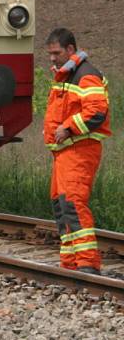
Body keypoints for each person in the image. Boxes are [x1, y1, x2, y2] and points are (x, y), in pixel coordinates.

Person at [44, 28, 112, 275]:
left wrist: (68, 128)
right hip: (64, 153)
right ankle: (71, 264)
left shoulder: (86, 75)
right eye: (50, 53)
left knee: (73, 204)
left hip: (80, 150)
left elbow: (96, 113)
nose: (52, 58)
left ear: (70, 50)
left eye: (56, 53)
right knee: (61, 207)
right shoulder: (67, 75)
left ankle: (87, 265)